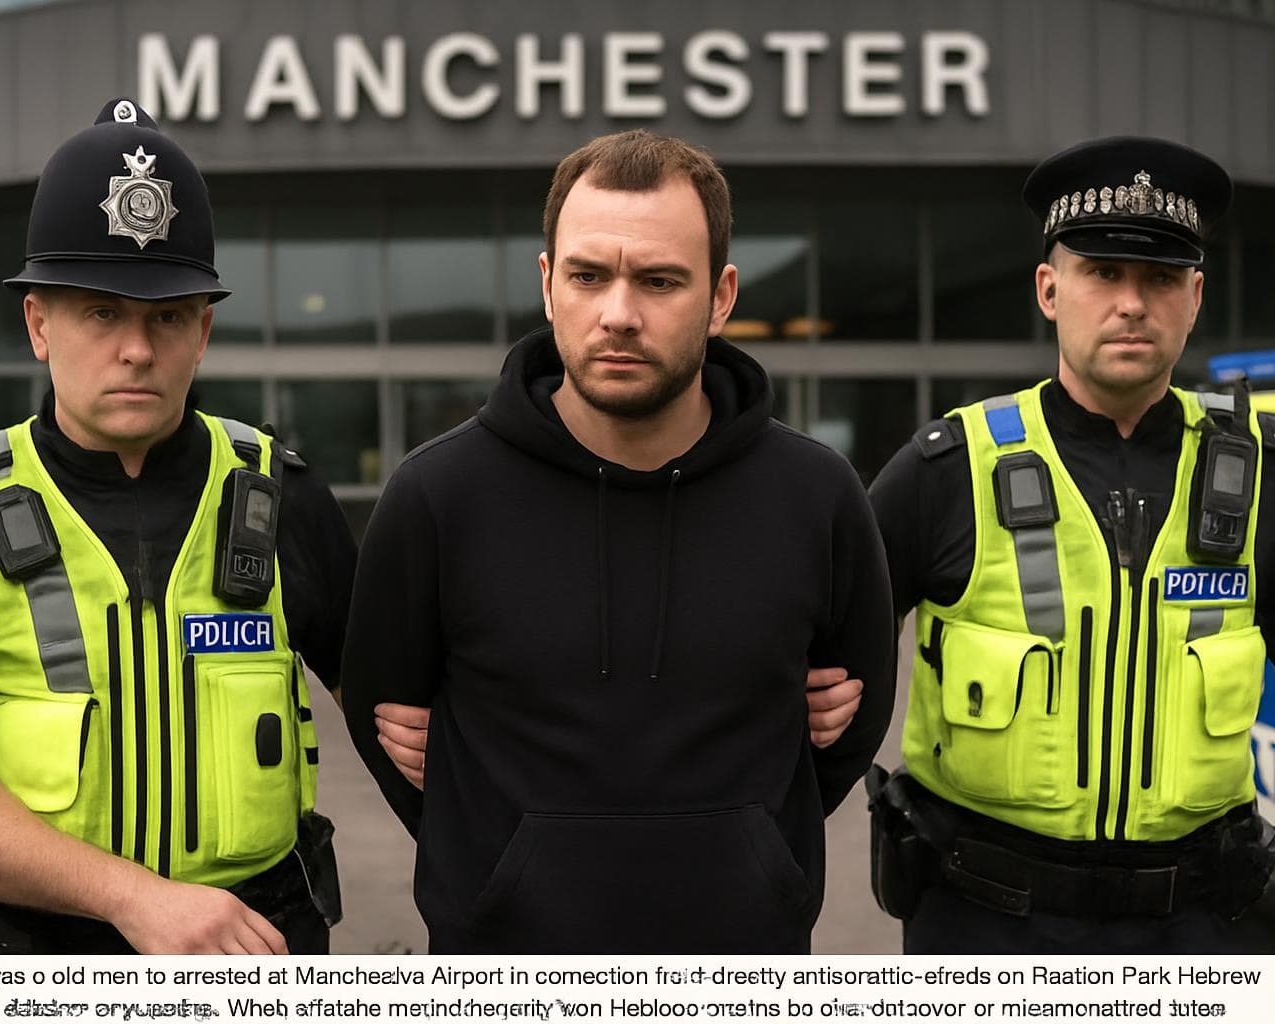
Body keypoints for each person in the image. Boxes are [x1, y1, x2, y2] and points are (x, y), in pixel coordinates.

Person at [342, 129, 896, 954]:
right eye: (588, 275)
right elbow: (381, 717)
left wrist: (756, 856)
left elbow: (855, 716)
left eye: (660, 280)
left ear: (720, 295)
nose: (619, 314)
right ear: (547, 283)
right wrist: (502, 864)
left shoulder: (815, 495)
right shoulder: (436, 496)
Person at [866, 136, 1275, 954]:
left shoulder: (1266, 472)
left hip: (1196, 926)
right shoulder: (949, 467)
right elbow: (822, 656)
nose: (1131, 302)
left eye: (1158, 279)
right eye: (1103, 273)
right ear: (1050, 288)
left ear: (1195, 296)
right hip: (983, 924)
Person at [0, 99, 356, 954]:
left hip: (254, 954)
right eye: (101, 312)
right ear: (38, 326)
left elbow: (407, 715)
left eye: (167, 316)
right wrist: (134, 897)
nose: (137, 347)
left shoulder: (283, 499)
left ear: (202, 332)